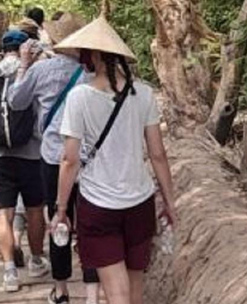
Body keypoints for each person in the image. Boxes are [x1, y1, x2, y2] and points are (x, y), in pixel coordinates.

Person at [50, 17, 178, 304]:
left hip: (98, 205)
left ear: (91, 56)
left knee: (117, 294)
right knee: (134, 289)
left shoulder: (79, 97)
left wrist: (61, 210)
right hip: (140, 202)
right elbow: (158, 154)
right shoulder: (143, 94)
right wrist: (169, 202)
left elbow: (69, 160)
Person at [7, 12, 101, 304]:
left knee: (58, 221)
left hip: (51, 157)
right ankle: (92, 293)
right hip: (86, 159)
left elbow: (16, 101)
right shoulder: (92, 74)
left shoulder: (41, 70)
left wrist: (24, 65)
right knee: (89, 224)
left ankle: (61, 290)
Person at [0, 30, 51, 292]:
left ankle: (8, 273)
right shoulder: (33, 71)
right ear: (24, 48)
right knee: (35, 209)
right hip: (31, 153)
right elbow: (41, 110)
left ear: (2, 47)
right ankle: (37, 260)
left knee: (3, 211)